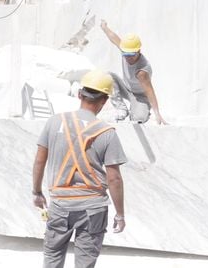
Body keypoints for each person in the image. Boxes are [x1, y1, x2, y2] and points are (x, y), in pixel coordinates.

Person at [32, 70, 127, 268]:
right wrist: (120, 214)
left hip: (60, 204)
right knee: (85, 262)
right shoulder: (107, 133)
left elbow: (40, 161)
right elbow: (114, 179)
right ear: (104, 101)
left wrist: (37, 192)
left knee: (52, 256)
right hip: (93, 207)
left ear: (79, 95)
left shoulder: (54, 122)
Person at [100, 20, 167, 125]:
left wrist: (157, 114)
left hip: (140, 96)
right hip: (127, 88)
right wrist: (104, 27)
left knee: (138, 118)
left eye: (131, 54)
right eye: (125, 54)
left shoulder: (142, 71)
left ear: (138, 51)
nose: (128, 57)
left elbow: (150, 92)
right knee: (107, 76)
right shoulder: (125, 49)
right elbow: (113, 37)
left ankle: (139, 109)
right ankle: (121, 109)